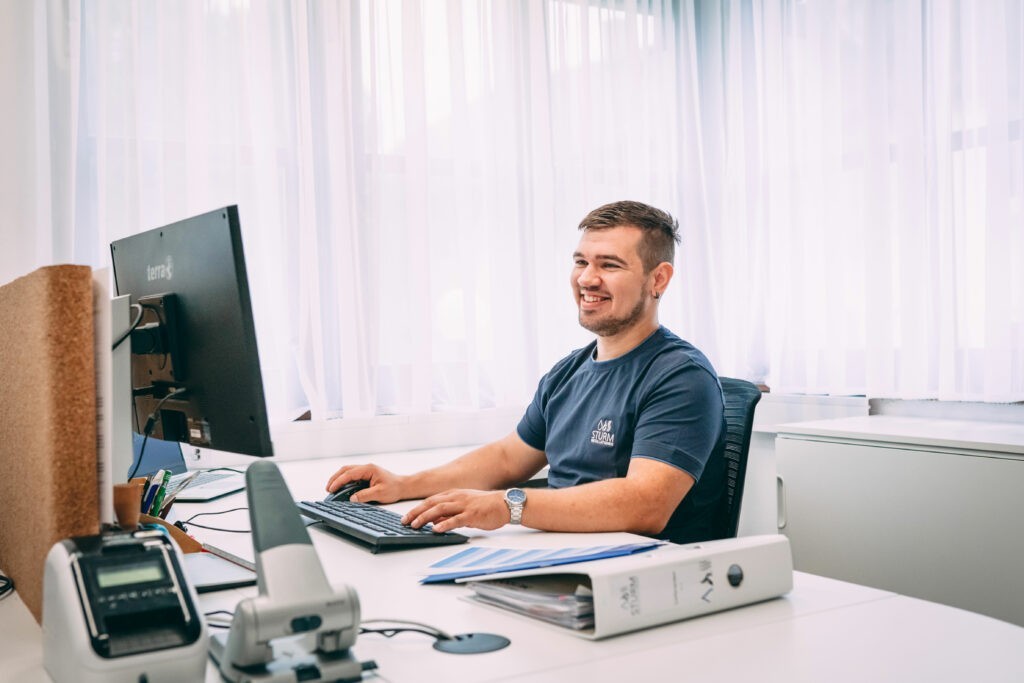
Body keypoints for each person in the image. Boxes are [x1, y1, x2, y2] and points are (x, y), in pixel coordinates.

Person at [326, 200, 726, 544]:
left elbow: (646, 504)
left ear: (658, 278)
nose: (587, 278)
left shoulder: (681, 377)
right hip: (565, 554)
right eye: (581, 262)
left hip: (642, 571)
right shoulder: (568, 372)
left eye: (609, 265)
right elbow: (505, 459)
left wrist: (509, 506)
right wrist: (402, 484)